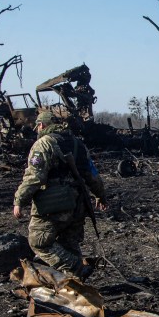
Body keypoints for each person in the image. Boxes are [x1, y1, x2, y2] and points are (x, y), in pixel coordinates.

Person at [13, 110, 108, 280]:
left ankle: (77, 267)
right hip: (78, 204)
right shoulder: (78, 144)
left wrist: (19, 200)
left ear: (42, 125)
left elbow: (34, 177)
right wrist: (100, 195)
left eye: (38, 126)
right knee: (69, 244)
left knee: (38, 242)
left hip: (53, 204)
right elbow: (91, 174)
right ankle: (75, 287)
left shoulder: (44, 144)